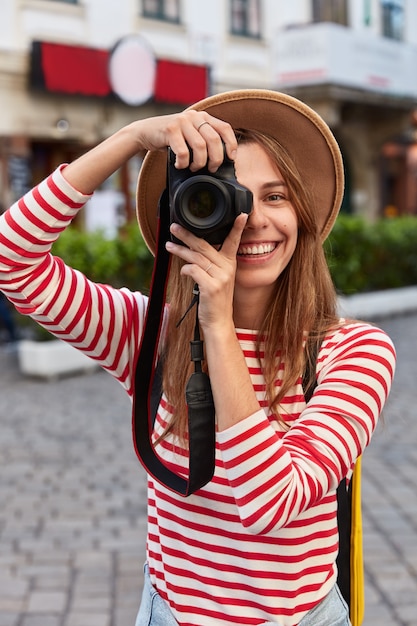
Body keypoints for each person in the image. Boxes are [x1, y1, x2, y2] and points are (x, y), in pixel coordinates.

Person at [0, 90, 396, 626]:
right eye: (230, 196)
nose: (252, 220)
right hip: (173, 613)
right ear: (188, 219)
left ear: (302, 215)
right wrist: (132, 139)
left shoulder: (352, 351)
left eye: (275, 196)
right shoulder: (149, 336)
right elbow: (13, 263)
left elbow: (270, 502)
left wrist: (216, 324)